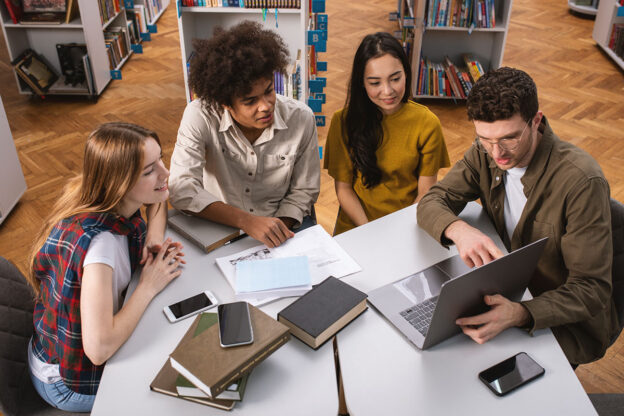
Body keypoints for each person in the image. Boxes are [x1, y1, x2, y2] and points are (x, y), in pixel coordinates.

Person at [417, 67, 619, 365]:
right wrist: (459, 230)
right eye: (485, 138)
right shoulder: (484, 151)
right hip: (506, 290)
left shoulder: (581, 182)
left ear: (536, 121)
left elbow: (592, 289)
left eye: (509, 138)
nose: (497, 153)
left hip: (558, 320)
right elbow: (431, 201)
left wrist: (521, 313)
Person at [26, 122, 184, 412]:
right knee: (176, 388)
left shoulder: (105, 196)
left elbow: (158, 201)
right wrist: (148, 285)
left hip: (53, 345)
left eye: (160, 159)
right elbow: (99, 351)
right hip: (66, 383)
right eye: (149, 171)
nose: (165, 173)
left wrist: (153, 237)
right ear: (120, 183)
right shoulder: (101, 247)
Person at [169, 21, 321, 248]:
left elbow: (304, 191)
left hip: (284, 225)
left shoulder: (301, 118)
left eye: (269, 91)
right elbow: (181, 188)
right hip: (218, 224)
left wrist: (274, 231)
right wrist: (248, 222)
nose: (266, 106)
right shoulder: (199, 115)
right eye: (250, 101)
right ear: (225, 104)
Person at [323, 32, 450, 235]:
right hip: (357, 227)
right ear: (361, 84)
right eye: (375, 83)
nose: (388, 91)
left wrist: (399, 232)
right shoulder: (343, 121)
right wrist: (371, 232)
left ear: (406, 73)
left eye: (395, 79)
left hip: (408, 225)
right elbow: (344, 190)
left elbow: (425, 192)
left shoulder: (427, 123)